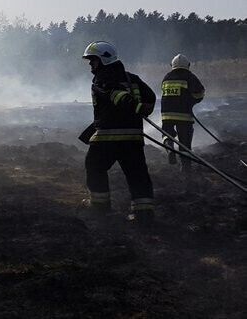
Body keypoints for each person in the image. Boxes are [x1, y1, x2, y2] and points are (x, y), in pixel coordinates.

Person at [80, 41, 157, 228]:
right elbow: (151, 96)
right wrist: (143, 108)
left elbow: (114, 95)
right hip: (134, 137)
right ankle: (144, 213)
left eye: (93, 60)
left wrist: (132, 105)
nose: (91, 65)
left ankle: (100, 207)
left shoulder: (102, 79)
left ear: (104, 60)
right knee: (137, 174)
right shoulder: (133, 79)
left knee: (94, 166)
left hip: (108, 136)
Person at [160, 54, 205, 173]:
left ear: (172, 65)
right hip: (184, 115)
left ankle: (169, 148)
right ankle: (185, 167)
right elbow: (199, 93)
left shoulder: (166, 77)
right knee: (185, 143)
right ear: (188, 65)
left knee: (166, 134)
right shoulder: (189, 76)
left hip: (167, 115)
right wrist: (192, 100)